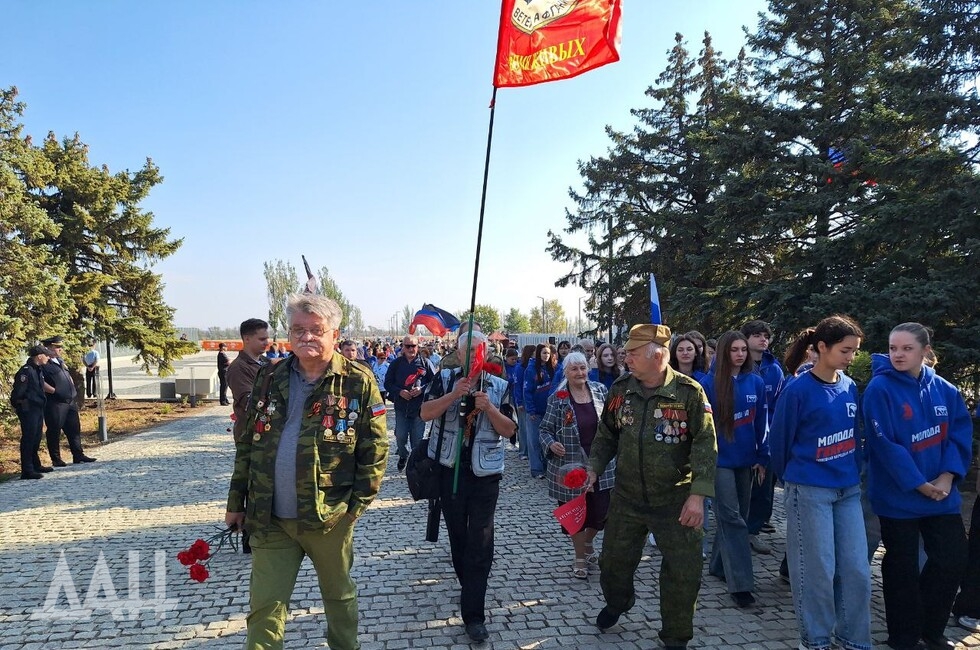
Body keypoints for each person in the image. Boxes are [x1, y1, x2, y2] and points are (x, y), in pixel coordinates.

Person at [225, 294, 388, 650]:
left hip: (328, 517)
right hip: (271, 517)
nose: (306, 337)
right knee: (265, 608)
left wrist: (354, 509)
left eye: (316, 330)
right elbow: (248, 444)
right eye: (298, 329)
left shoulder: (357, 381)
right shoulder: (269, 376)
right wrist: (236, 501)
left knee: (339, 599)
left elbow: (375, 450)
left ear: (334, 333)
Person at [587, 324, 717, 650]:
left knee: (683, 573)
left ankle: (675, 637)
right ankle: (619, 602)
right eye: (626, 352)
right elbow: (607, 435)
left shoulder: (689, 392)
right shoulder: (621, 389)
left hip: (675, 500)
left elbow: (705, 445)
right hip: (627, 498)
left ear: (657, 355)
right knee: (612, 564)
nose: (625, 357)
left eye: (632, 352)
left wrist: (698, 496)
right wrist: (593, 469)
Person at [863, 322, 972, 650]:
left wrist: (948, 477)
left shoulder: (946, 390)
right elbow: (885, 444)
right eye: (893, 348)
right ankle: (904, 636)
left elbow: (958, 434)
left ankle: (931, 628)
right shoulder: (879, 389)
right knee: (902, 567)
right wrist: (918, 484)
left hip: (942, 496)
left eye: (907, 348)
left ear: (925, 350)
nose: (898, 354)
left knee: (952, 559)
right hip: (899, 498)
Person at [769, 315, 871, 650]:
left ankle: (854, 640)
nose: (850, 357)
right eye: (845, 350)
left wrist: (853, 470)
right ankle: (815, 640)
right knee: (817, 569)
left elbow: (856, 436)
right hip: (809, 490)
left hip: (848, 491)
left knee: (856, 570)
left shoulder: (849, 385)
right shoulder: (797, 389)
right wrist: (795, 479)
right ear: (822, 348)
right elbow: (780, 443)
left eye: (854, 351)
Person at [420, 329, 517, 643]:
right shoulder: (445, 378)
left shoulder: (499, 384)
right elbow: (425, 413)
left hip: (485, 474)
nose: (472, 355)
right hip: (450, 471)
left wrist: (488, 407)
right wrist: (453, 395)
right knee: (459, 538)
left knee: (481, 540)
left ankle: (474, 615)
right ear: (458, 353)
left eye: (478, 349)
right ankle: (469, 587)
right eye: (467, 350)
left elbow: (510, 430)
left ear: (486, 351)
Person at [698, 331, 768, 608]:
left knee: (740, 515)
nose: (740, 354)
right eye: (734, 350)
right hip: (719, 461)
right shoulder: (708, 384)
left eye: (743, 350)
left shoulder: (757, 382)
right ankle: (741, 585)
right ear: (724, 353)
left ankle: (717, 564)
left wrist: (762, 456)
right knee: (732, 518)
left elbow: (762, 422)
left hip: (747, 460)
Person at [539, 351, 614, 579]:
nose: (580, 373)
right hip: (570, 465)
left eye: (582, 368)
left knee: (601, 513)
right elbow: (544, 430)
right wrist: (551, 444)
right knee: (576, 515)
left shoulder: (601, 391)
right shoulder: (558, 398)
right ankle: (580, 557)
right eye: (574, 369)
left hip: (601, 462)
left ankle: (588, 544)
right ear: (566, 373)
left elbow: (612, 425)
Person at [226, 318, 271, 555]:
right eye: (262, 338)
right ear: (246, 339)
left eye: (267, 337)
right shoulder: (238, 368)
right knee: (251, 484)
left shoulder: (263, 362)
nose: (267, 342)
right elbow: (247, 402)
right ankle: (248, 536)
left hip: (265, 433)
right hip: (248, 434)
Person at [742, 319, 784, 554]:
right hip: (741, 437)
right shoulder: (737, 365)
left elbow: (777, 405)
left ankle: (753, 531)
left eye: (765, 335)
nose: (763, 339)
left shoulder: (774, 369)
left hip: (766, 438)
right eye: (757, 335)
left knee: (763, 490)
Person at [40, 336, 96, 465]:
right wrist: (55, 391)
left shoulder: (59, 361)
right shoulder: (44, 364)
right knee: (54, 430)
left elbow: (67, 376)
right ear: (48, 348)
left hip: (69, 401)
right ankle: (56, 458)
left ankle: (78, 455)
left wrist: (71, 389)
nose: (60, 349)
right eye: (57, 347)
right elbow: (40, 382)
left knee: (74, 429)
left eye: (60, 347)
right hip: (55, 402)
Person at [384, 334, 435, 472]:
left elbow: (435, 382)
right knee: (400, 436)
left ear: (418, 347)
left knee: (417, 439)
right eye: (408, 346)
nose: (411, 348)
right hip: (401, 406)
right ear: (403, 347)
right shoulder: (396, 364)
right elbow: (387, 383)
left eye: (413, 346)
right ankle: (403, 455)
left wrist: (422, 389)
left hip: (419, 408)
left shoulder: (425, 363)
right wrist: (399, 392)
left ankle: (414, 465)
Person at [11, 344, 55, 479]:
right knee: (29, 438)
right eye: (46, 355)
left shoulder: (38, 370)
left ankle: (36, 465)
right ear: (39, 356)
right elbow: (19, 392)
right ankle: (27, 470)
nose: (48, 357)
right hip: (28, 409)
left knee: (36, 437)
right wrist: (21, 406)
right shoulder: (26, 371)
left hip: (37, 408)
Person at [523, 343, 556, 479]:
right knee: (534, 441)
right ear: (538, 354)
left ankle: (548, 467)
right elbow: (527, 391)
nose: (546, 356)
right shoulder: (531, 370)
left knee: (548, 441)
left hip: (549, 411)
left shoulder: (552, 369)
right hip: (535, 412)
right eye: (543, 353)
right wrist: (530, 410)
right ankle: (536, 469)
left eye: (548, 353)